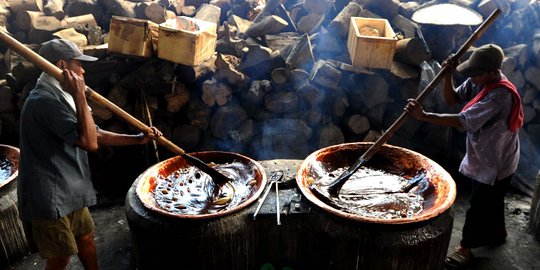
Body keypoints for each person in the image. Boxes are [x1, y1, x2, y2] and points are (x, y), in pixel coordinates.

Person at [17, 39, 162, 270]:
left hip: (69, 186)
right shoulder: (45, 100)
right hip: (49, 193)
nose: (83, 71)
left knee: (85, 237)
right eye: (78, 64)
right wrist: (80, 96)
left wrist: (138, 139)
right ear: (62, 65)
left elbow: (95, 133)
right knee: (60, 255)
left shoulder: (62, 94)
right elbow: (89, 143)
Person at [405, 44, 523, 268]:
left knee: (479, 204)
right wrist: (448, 75)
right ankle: (498, 234)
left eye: (477, 74)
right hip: (487, 153)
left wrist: (423, 116)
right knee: (493, 200)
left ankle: (465, 249)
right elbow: (452, 100)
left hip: (497, 160)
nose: (473, 78)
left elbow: (462, 120)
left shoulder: (499, 96)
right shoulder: (480, 81)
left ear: (493, 72)